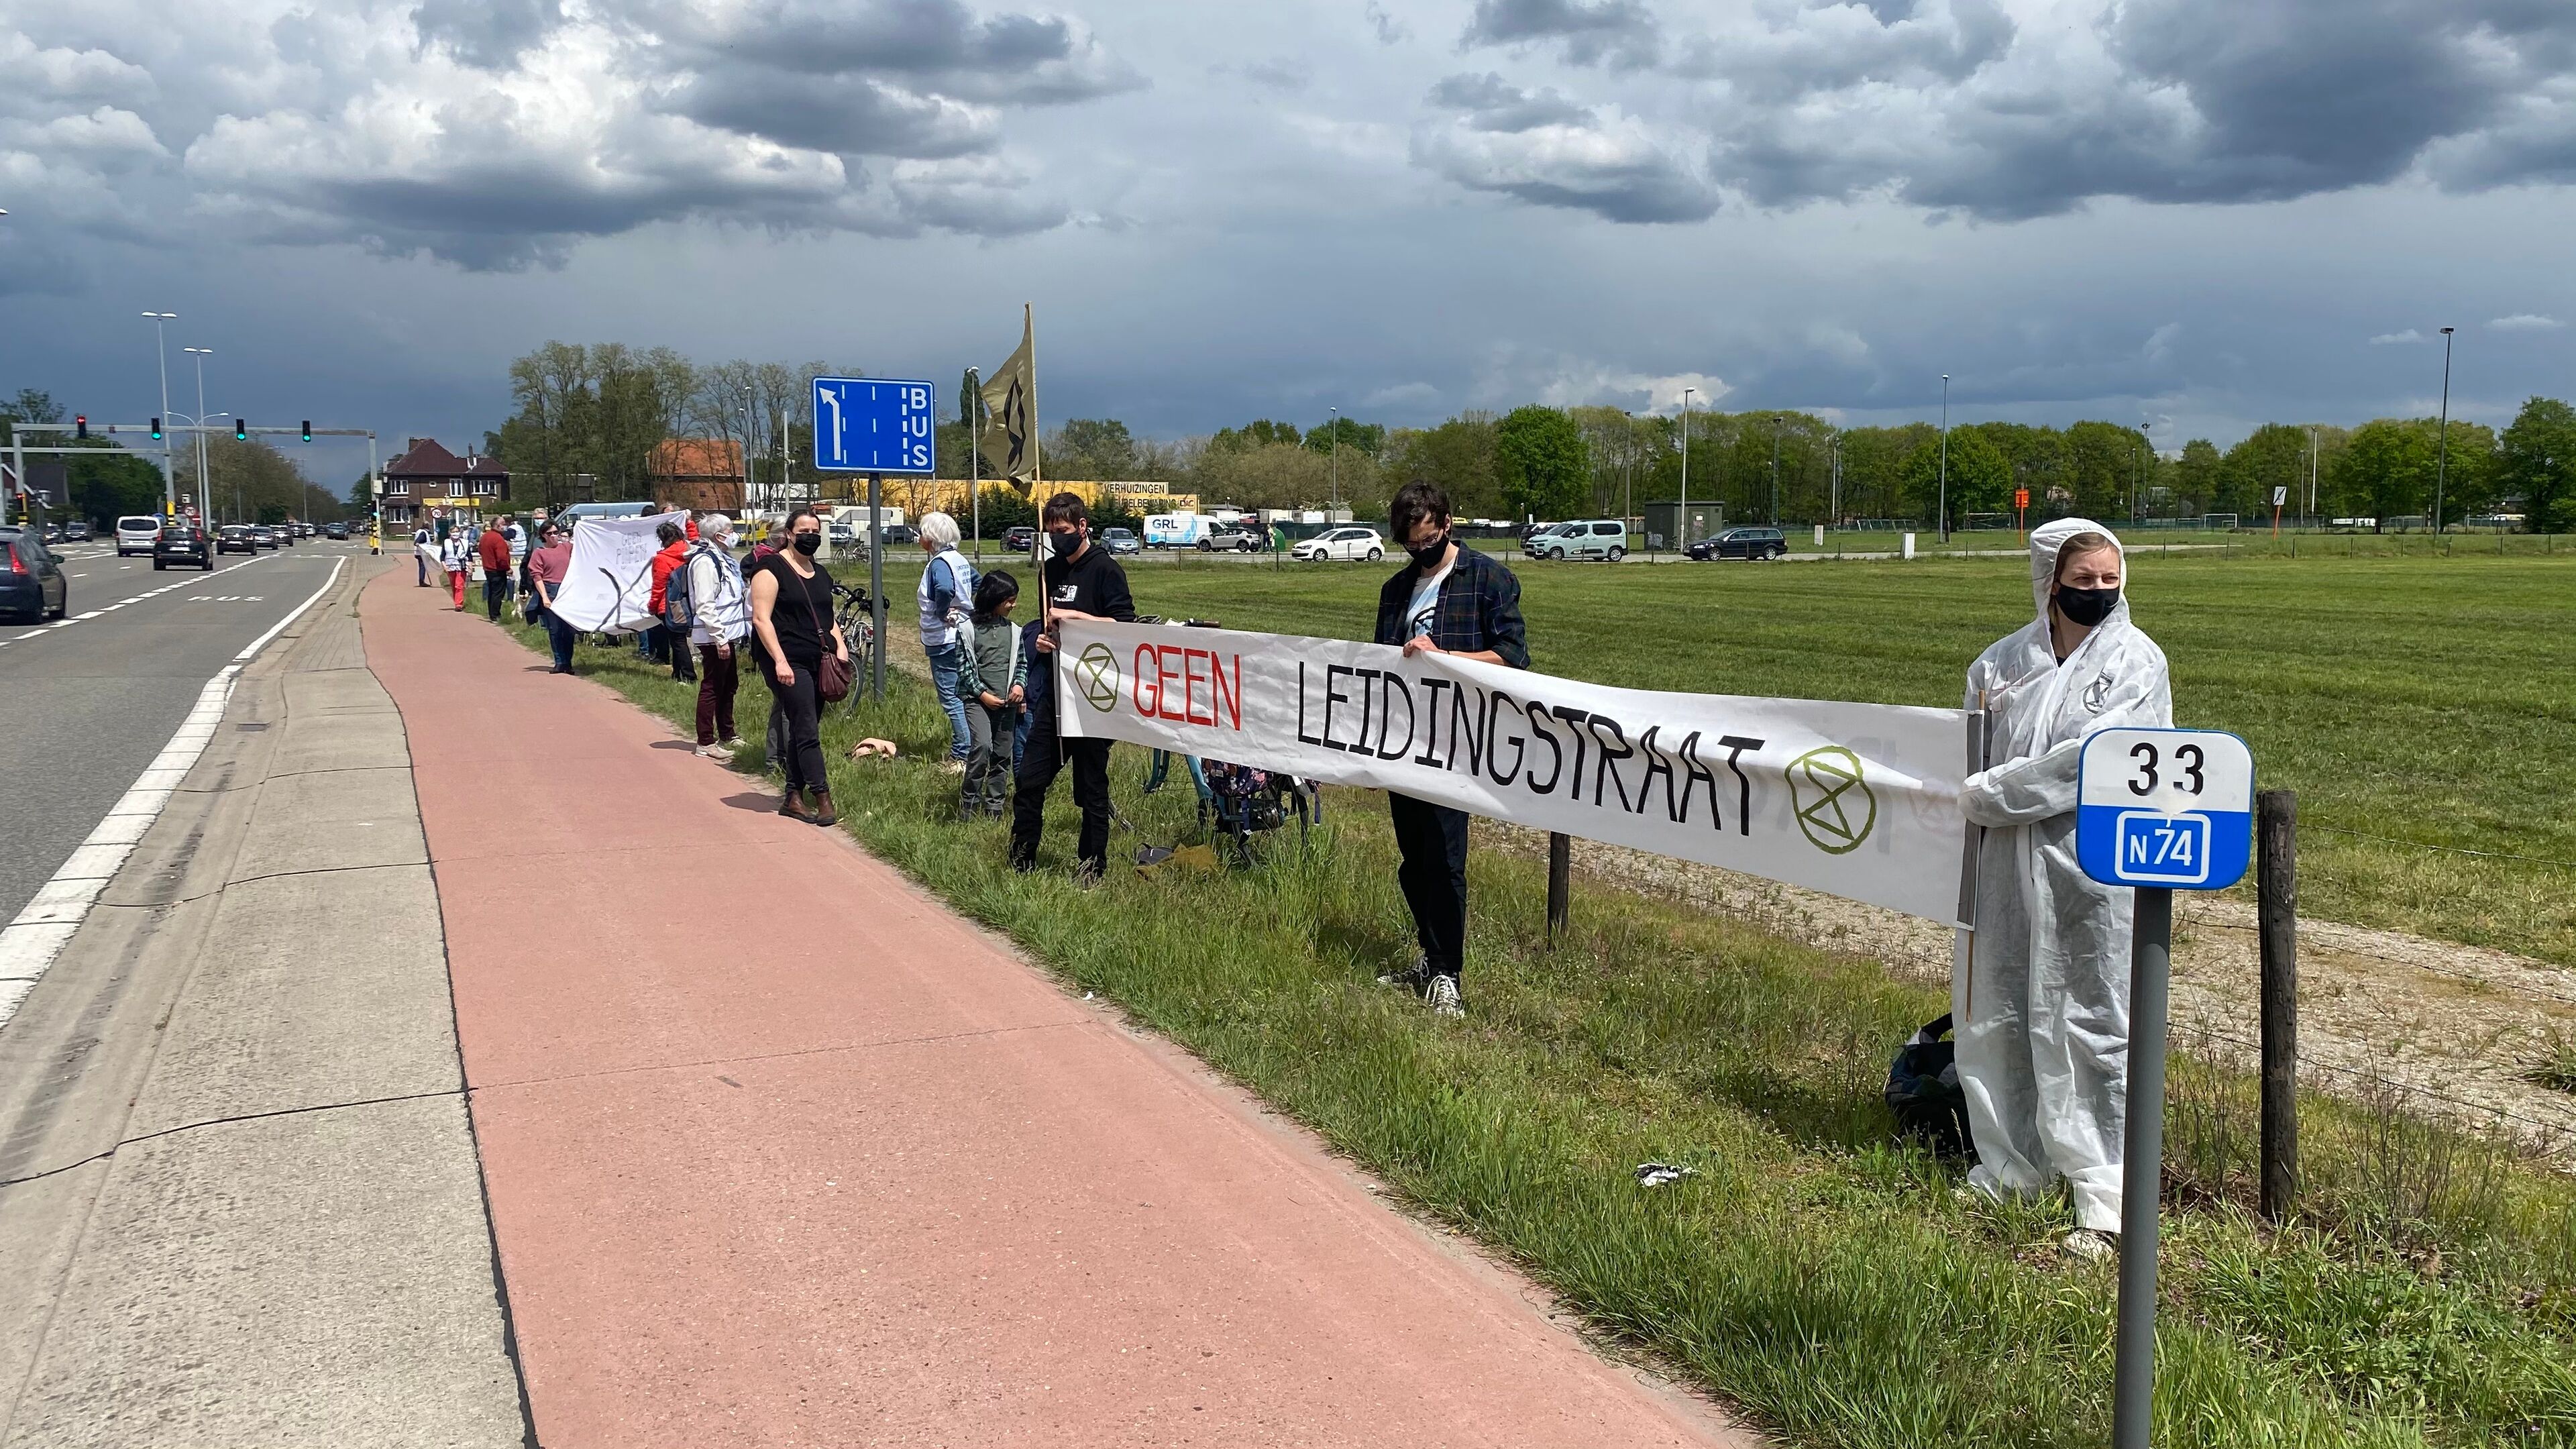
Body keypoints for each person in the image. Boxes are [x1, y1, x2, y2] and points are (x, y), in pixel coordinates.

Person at [1957, 519, 2172, 1263]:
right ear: (2050, 582)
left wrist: (1990, 795)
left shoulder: (2138, 662)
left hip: (2091, 871)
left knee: (2091, 1020)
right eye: (2084, 581)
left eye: (2110, 580)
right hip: (2002, 870)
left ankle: (2104, 1198)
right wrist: (1976, 796)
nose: (2099, 593)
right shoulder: (2000, 664)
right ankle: (2010, 1170)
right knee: (1999, 1011)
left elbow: (2095, 758)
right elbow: (1967, 745)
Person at [1372, 480, 1527, 1020]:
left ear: (1447, 523)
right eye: (1410, 545)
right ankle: (1430, 956)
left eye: (1428, 541)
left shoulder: (1488, 578)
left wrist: (1444, 656)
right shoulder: (1395, 589)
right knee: (1413, 862)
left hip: (1456, 743)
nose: (1420, 551)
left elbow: (1513, 656)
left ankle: (1447, 973)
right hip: (1402, 742)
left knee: (1445, 860)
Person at [1008, 492, 1135, 881]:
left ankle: (1092, 866)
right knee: (1029, 779)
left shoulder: (1106, 570)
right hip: (1056, 694)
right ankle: (1022, 858)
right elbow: (1046, 626)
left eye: (1063, 530)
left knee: (1091, 788)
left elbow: (1125, 627)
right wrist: (1042, 640)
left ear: (1082, 526)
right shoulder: (1048, 571)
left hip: (1095, 696)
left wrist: (1074, 616)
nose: (1057, 538)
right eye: (1051, 532)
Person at [747, 506, 848, 826]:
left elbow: (828, 618)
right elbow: (761, 619)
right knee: (805, 726)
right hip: (786, 658)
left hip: (819, 657)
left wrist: (841, 648)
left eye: (815, 532)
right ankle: (823, 797)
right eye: (804, 532)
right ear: (789, 534)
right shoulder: (770, 569)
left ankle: (792, 796)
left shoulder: (820, 573)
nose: (810, 537)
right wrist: (780, 661)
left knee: (806, 725)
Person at [955, 570, 1024, 820]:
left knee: (1002, 753)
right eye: (1009, 600)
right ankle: (969, 802)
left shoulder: (1014, 631)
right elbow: (964, 669)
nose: (1013, 605)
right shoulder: (967, 630)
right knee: (983, 746)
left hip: (1007, 703)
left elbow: (1021, 664)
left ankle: (994, 805)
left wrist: (1019, 686)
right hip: (978, 701)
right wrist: (983, 695)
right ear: (994, 599)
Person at [916, 511, 979, 774]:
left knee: (952, 699)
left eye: (922, 533)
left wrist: (943, 612)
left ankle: (962, 756)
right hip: (963, 633)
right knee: (965, 695)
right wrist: (972, 610)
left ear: (930, 538)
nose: (919, 538)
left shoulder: (938, 564)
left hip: (944, 639)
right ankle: (973, 748)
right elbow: (979, 582)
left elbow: (943, 589)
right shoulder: (959, 559)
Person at [684, 514, 751, 761]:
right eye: (730, 530)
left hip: (727, 634)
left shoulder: (722, 558)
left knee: (729, 684)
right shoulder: (705, 562)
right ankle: (705, 741)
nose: (734, 534)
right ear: (718, 535)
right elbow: (705, 604)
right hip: (714, 636)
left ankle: (727, 732)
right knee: (712, 686)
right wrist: (719, 638)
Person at [527, 522, 578, 673]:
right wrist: (544, 597)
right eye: (550, 534)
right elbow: (537, 577)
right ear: (543, 535)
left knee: (569, 630)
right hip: (550, 590)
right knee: (555, 629)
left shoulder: (568, 548)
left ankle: (568, 662)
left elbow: (586, 549)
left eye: (556, 532)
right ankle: (560, 662)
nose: (554, 536)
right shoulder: (539, 553)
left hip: (567, 590)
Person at [643, 520, 688, 665]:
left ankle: (686, 673)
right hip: (688, 601)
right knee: (681, 641)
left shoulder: (662, 559)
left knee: (677, 642)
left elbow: (659, 587)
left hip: (669, 604)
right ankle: (679, 672)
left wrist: (652, 606)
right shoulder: (689, 551)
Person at [476, 517, 512, 621]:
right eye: (503, 524)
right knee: (498, 593)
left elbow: (480, 551)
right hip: (497, 569)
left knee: (492, 592)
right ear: (498, 526)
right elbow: (501, 557)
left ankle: (492, 613)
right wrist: (507, 568)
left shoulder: (485, 537)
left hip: (488, 568)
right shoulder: (498, 539)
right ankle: (496, 615)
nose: (505, 527)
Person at [441, 525, 473, 610]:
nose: (456, 533)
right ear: (450, 533)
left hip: (461, 567)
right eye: (453, 532)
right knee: (454, 586)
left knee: (459, 585)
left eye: (457, 531)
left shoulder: (465, 543)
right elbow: (442, 556)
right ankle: (457, 601)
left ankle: (459, 604)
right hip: (450, 567)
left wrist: (470, 568)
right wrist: (444, 566)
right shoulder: (446, 542)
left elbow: (469, 556)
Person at [413, 522, 435, 586]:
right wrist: (417, 543)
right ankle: (422, 581)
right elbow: (418, 541)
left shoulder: (420, 531)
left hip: (419, 553)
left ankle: (421, 581)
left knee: (422, 566)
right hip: (422, 553)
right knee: (423, 567)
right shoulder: (423, 533)